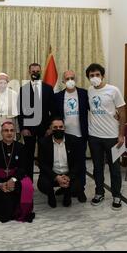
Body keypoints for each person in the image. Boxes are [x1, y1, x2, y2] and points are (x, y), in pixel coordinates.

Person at [85, 63, 126, 211]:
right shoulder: (89, 91)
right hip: (94, 136)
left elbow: (122, 113)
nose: (94, 77)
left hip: (112, 136)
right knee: (97, 168)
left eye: (97, 75)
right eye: (91, 75)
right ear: (88, 78)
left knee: (115, 168)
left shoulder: (113, 90)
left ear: (102, 76)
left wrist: (121, 135)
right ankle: (99, 192)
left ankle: (116, 195)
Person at [0, 122, 35, 223]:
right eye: (6, 130)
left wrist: (13, 180)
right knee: (5, 210)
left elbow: (23, 168)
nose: (9, 133)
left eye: (11, 130)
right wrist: (0, 184)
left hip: (15, 179)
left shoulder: (21, 147)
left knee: (21, 191)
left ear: (15, 133)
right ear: (1, 132)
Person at [54, 70, 89, 203]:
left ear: (76, 79)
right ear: (63, 81)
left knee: (80, 164)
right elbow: (55, 115)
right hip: (64, 137)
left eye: (72, 78)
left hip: (80, 135)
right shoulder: (58, 96)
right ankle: (65, 187)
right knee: (65, 163)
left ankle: (80, 189)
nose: (70, 80)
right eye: (67, 78)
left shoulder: (84, 94)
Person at [18, 63, 55, 182]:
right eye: (33, 71)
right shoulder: (23, 89)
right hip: (29, 129)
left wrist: (51, 127)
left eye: (37, 71)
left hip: (45, 129)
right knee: (28, 156)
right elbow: (20, 111)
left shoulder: (48, 88)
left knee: (44, 156)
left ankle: (44, 180)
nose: (35, 73)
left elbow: (53, 110)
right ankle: (28, 182)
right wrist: (23, 128)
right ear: (29, 72)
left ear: (41, 72)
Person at [38, 118, 82, 208]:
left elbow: (78, 163)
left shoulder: (74, 141)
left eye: (60, 127)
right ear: (50, 128)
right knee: (43, 184)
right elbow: (42, 164)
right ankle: (51, 195)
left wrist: (69, 177)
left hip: (68, 174)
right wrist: (56, 177)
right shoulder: (43, 142)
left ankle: (67, 193)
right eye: (55, 127)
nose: (58, 129)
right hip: (52, 175)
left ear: (64, 128)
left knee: (77, 186)